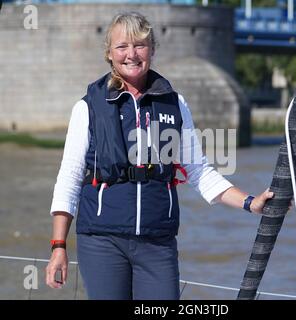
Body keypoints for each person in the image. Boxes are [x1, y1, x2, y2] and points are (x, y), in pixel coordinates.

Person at [45, 12, 274, 300]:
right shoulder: (87, 107)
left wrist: (250, 203)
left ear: (152, 49)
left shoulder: (175, 104)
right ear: (109, 53)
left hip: (158, 242)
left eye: (140, 45)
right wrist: (58, 247)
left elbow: (199, 171)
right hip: (102, 241)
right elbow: (69, 178)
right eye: (122, 46)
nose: (131, 54)